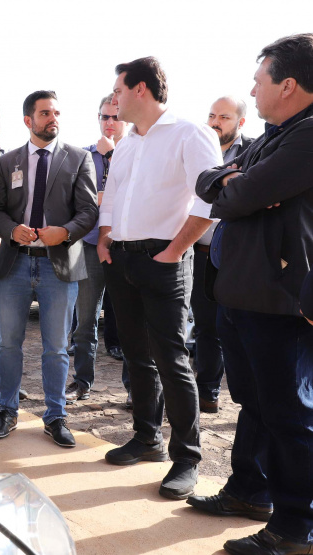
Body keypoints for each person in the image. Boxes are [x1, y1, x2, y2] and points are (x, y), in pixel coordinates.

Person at [189, 34, 313, 554]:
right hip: (244, 295)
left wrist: (236, 186)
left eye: (259, 80)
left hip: (278, 301)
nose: (252, 90)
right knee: (257, 405)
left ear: (287, 84)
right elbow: (210, 181)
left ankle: (294, 529)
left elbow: (240, 193)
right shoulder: (272, 134)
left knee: (289, 415)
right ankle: (249, 490)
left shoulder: (306, 137)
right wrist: (232, 182)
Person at [98, 57, 222, 500]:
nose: (114, 98)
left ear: (142, 90)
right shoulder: (128, 143)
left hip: (164, 259)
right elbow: (111, 197)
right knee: (135, 354)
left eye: (118, 89)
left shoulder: (191, 133)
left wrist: (174, 251)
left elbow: (211, 200)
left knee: (172, 357)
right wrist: (105, 239)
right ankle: (146, 437)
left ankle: (186, 457)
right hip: (124, 260)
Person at [0, 90, 97, 446]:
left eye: (56, 112)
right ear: (28, 120)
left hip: (59, 266)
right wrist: (10, 230)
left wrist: (63, 232)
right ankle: (6, 410)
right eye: (45, 113)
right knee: (8, 344)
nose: (53, 118)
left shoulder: (78, 158)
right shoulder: (8, 163)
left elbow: (89, 211)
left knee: (56, 347)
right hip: (15, 263)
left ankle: (56, 416)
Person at [191, 96, 254, 413]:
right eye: (212, 115)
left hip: (239, 260)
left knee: (238, 326)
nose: (215, 122)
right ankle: (208, 391)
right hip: (199, 254)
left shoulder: (255, 152)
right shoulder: (199, 152)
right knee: (205, 327)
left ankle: (250, 396)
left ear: (240, 122)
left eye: (224, 117)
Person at [67, 94, 131, 406]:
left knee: (132, 323)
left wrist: (114, 157)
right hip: (90, 247)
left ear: (127, 119)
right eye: (104, 117)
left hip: (127, 248)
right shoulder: (82, 157)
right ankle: (82, 382)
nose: (109, 122)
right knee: (85, 322)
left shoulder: (135, 152)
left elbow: (133, 196)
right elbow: (79, 203)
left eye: (115, 117)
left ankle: (135, 389)